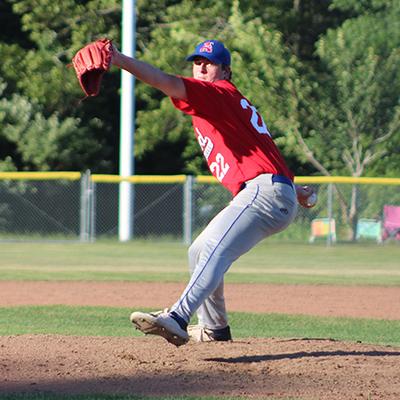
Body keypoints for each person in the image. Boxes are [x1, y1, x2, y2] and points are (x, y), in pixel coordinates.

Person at [111, 39, 315, 346]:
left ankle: (178, 316)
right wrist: (295, 190)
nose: (202, 67)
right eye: (197, 61)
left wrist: (118, 58)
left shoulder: (217, 94)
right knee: (198, 250)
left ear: (225, 71)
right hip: (269, 190)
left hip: (261, 193)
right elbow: (260, 153)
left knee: (214, 250)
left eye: (210, 62)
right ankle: (214, 329)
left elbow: (163, 81)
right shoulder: (227, 104)